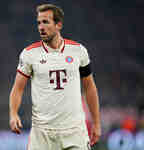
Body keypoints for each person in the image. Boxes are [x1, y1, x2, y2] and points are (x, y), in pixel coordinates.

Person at [9, 4, 101, 150]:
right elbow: (18, 88)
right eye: (39, 23)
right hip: (42, 134)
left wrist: (96, 123)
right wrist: (13, 114)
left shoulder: (78, 51)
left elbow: (89, 87)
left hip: (74, 132)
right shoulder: (29, 54)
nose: (41, 27)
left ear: (58, 25)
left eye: (46, 22)